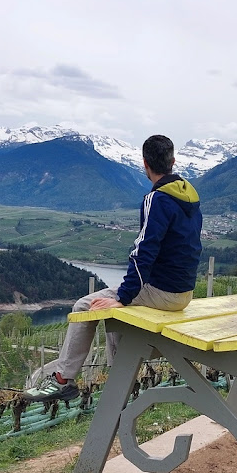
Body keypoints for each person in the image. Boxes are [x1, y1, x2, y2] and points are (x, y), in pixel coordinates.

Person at [23, 134, 203, 403]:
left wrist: (122, 297)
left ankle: (63, 379)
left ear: (144, 164)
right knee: (115, 316)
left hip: (163, 292)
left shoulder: (157, 199)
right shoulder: (188, 197)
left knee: (86, 305)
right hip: (183, 293)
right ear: (173, 161)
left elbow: (144, 253)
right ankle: (121, 379)